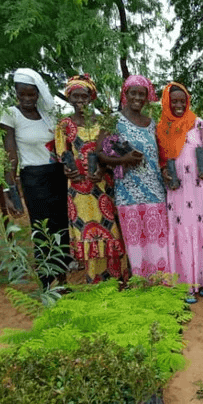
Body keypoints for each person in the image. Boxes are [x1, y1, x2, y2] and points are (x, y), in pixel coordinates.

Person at [0, 68, 70, 287]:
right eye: (23, 94)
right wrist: (10, 191)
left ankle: (63, 279)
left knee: (62, 227)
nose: (28, 99)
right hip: (33, 178)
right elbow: (10, 155)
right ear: (16, 93)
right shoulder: (10, 115)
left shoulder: (49, 115)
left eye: (32, 94)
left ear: (38, 93)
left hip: (57, 176)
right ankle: (47, 282)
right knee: (42, 228)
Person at [55, 75, 128, 284]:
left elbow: (115, 150)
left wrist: (104, 166)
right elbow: (63, 155)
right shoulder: (64, 125)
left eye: (84, 96)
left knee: (111, 229)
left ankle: (117, 279)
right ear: (69, 98)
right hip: (79, 189)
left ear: (91, 98)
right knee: (89, 232)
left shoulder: (103, 123)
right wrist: (68, 171)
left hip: (104, 184)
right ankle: (94, 281)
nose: (80, 100)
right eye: (75, 96)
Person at [157, 82, 203, 299]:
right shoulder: (161, 128)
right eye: (173, 101)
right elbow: (159, 160)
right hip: (178, 190)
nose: (178, 105)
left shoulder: (198, 124)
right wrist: (164, 173)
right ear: (166, 103)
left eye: (182, 101)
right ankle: (186, 283)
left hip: (200, 188)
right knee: (184, 229)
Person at [97, 75, 169, 278]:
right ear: (125, 94)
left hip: (155, 192)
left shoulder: (151, 123)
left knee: (158, 242)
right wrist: (123, 159)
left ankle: (162, 285)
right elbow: (99, 153)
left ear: (147, 97)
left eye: (142, 94)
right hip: (128, 192)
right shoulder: (113, 121)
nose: (138, 97)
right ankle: (141, 284)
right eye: (133, 93)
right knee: (136, 244)